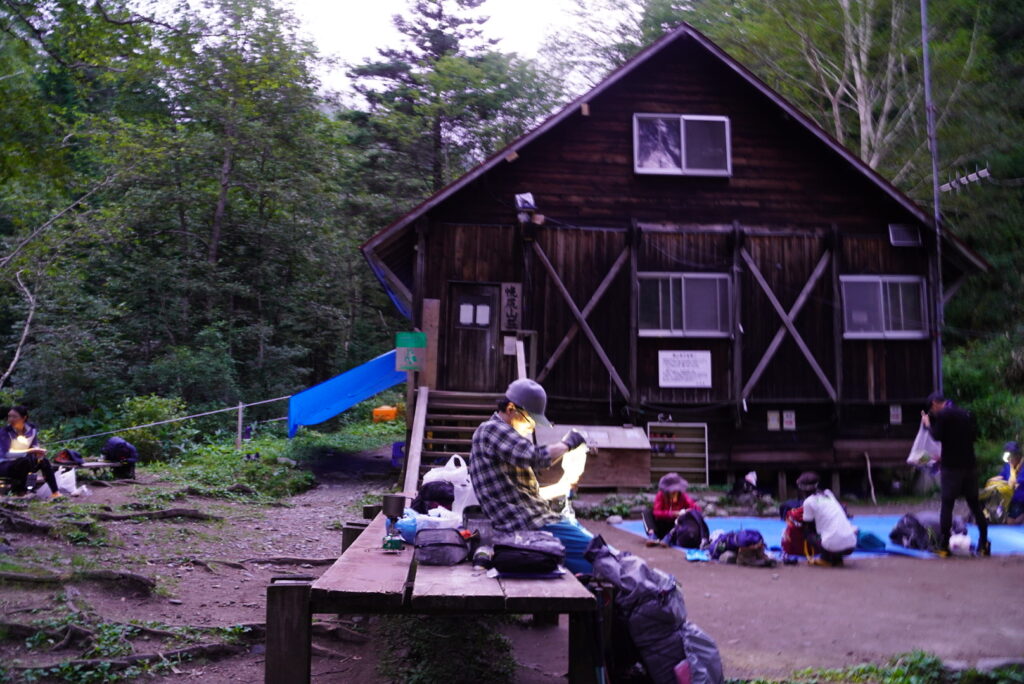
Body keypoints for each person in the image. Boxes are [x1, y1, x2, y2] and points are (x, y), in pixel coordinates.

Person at [468, 378, 593, 574]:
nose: (533, 427)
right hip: (531, 524)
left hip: (532, 520)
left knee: (590, 561)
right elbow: (534, 457)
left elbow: (524, 494)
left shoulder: (504, 441)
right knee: (601, 553)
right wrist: (568, 444)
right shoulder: (491, 430)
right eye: (530, 420)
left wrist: (561, 486)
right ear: (511, 409)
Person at [922, 391, 990, 556]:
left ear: (934, 405)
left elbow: (937, 436)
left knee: (947, 506)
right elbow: (974, 436)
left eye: (932, 411)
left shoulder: (943, 415)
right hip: (970, 466)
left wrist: (928, 424)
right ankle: (984, 544)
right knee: (974, 505)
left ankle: (944, 546)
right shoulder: (966, 413)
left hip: (952, 467)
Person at [796, 471, 856, 566]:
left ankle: (826, 558)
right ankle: (837, 558)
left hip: (832, 544)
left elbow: (808, 526)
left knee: (807, 533)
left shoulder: (808, 502)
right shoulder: (829, 494)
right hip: (851, 545)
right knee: (830, 530)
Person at [0, 405, 61, 499]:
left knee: (43, 461)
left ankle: (55, 492)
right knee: (25, 461)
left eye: (14, 416)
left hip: (24, 460)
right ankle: (21, 491)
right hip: (5, 464)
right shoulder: (5, 432)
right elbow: (5, 454)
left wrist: (38, 452)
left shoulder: (31, 429)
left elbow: (34, 445)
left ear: (24, 418)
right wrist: (30, 451)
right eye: (9, 416)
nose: (10, 419)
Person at [982, 441, 1024, 525]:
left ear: (1018, 456)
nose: (1010, 459)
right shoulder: (1008, 465)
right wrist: (992, 481)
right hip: (1007, 500)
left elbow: (1015, 483)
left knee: (1010, 522)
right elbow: (1002, 476)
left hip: (1019, 500)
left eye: (1012, 456)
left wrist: (1011, 483)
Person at [651, 472, 702, 540]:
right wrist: (673, 513)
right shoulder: (660, 495)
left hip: (675, 526)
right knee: (647, 513)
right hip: (661, 525)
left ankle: (668, 538)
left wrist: (689, 511)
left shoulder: (683, 496)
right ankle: (652, 535)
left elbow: (697, 509)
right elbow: (657, 513)